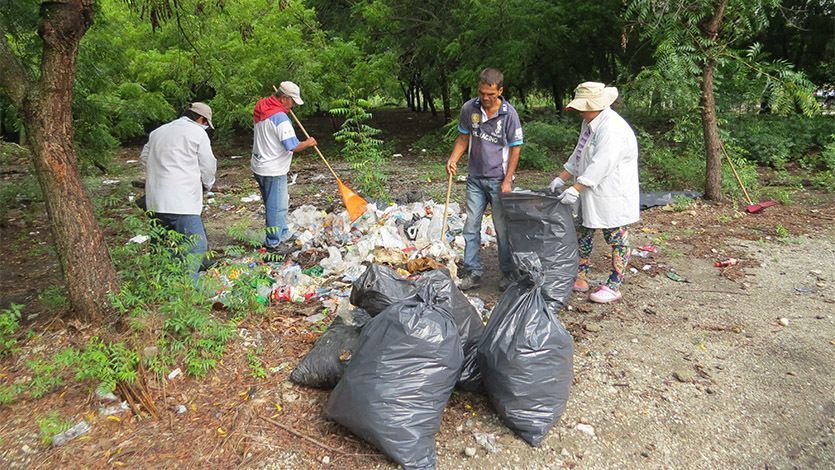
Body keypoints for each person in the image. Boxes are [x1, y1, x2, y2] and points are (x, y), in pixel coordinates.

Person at [549, 82, 639, 304]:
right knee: (584, 232)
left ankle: (614, 284)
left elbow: (602, 163)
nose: (579, 111)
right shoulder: (589, 122)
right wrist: (562, 176)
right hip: (591, 191)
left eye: (582, 107)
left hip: (611, 192)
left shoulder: (612, 128)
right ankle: (580, 276)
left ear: (595, 105)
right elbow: (579, 153)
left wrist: (576, 188)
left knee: (616, 236)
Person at [446, 68, 524, 291]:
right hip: (475, 179)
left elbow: (515, 149)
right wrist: (453, 158)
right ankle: (473, 272)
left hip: (499, 180)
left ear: (500, 90)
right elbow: (463, 137)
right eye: (482, 93)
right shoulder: (470, 108)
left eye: (490, 94)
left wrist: (508, 180)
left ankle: (508, 273)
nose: (486, 98)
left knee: (502, 228)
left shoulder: (509, 114)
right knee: (471, 226)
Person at [141, 102, 217, 276]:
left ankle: (163, 282)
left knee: (163, 244)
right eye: (206, 124)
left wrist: (160, 172)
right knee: (197, 244)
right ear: (201, 119)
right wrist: (207, 184)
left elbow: (144, 157)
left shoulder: (158, 132)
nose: (206, 127)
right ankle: (187, 285)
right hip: (182, 200)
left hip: (155, 200)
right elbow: (207, 164)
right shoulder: (197, 133)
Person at [251, 81, 317, 252]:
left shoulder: (262, 106)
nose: (293, 105)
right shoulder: (280, 118)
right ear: (285, 98)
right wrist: (308, 143)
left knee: (273, 203)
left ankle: (284, 233)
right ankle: (273, 243)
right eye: (292, 101)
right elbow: (292, 146)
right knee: (277, 207)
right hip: (273, 168)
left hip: (259, 164)